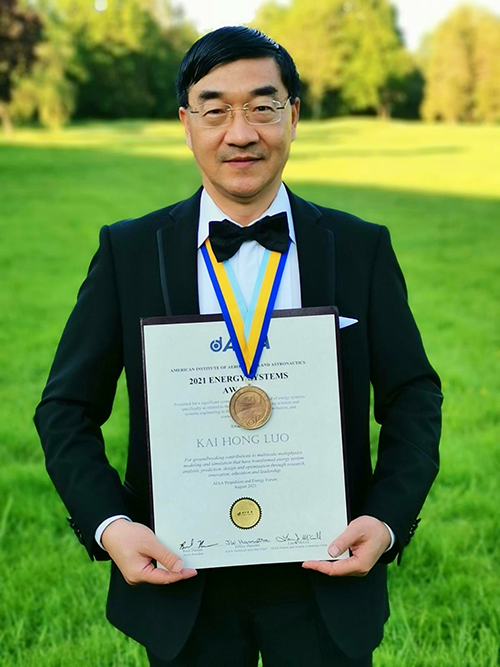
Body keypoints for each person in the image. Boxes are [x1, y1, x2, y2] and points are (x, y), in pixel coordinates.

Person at [35, 26, 442, 667]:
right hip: (182, 579)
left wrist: (387, 519)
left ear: (294, 116)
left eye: (262, 107)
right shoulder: (129, 251)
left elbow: (413, 393)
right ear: (186, 124)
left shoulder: (359, 247)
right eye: (216, 110)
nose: (241, 133)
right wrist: (112, 527)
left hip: (326, 574)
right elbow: (65, 409)